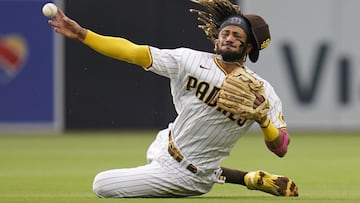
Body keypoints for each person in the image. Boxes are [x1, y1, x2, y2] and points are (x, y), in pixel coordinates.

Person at [48, 0, 299, 198]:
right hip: (165, 143)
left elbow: (281, 147)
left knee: (101, 184)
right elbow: (134, 52)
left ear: (248, 48)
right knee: (161, 143)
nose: (229, 37)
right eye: (225, 33)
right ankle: (248, 178)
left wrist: (263, 120)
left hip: (187, 176)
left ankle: (206, 177)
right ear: (216, 40)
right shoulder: (188, 60)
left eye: (237, 35)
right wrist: (83, 34)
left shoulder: (263, 92)